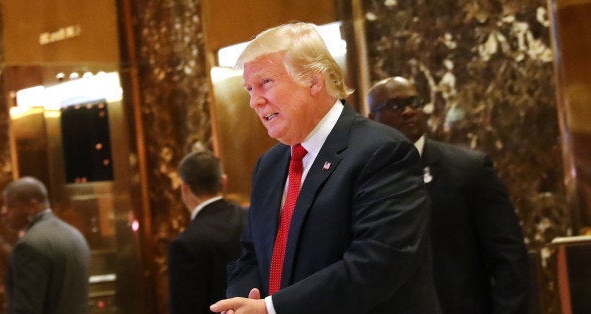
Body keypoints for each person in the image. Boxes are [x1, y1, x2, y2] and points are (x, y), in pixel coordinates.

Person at [210, 22, 440, 314]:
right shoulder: (269, 165)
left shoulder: (382, 151)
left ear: (314, 81)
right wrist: (242, 302)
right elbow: (251, 255)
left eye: (266, 82)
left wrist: (271, 308)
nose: (255, 101)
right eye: (249, 89)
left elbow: (378, 263)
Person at [367, 76, 530, 314]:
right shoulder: (366, 178)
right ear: (372, 119)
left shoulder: (468, 169)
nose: (409, 111)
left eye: (415, 102)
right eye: (396, 106)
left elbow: (510, 258)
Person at [168, 151, 247, 314]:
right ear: (223, 182)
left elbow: (185, 308)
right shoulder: (250, 217)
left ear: (184, 188)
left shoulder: (185, 243)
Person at [1, 176, 91, 314]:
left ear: (32, 206)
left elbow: (26, 309)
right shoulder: (75, 235)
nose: (4, 211)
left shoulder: (29, 245)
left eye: (11, 206)